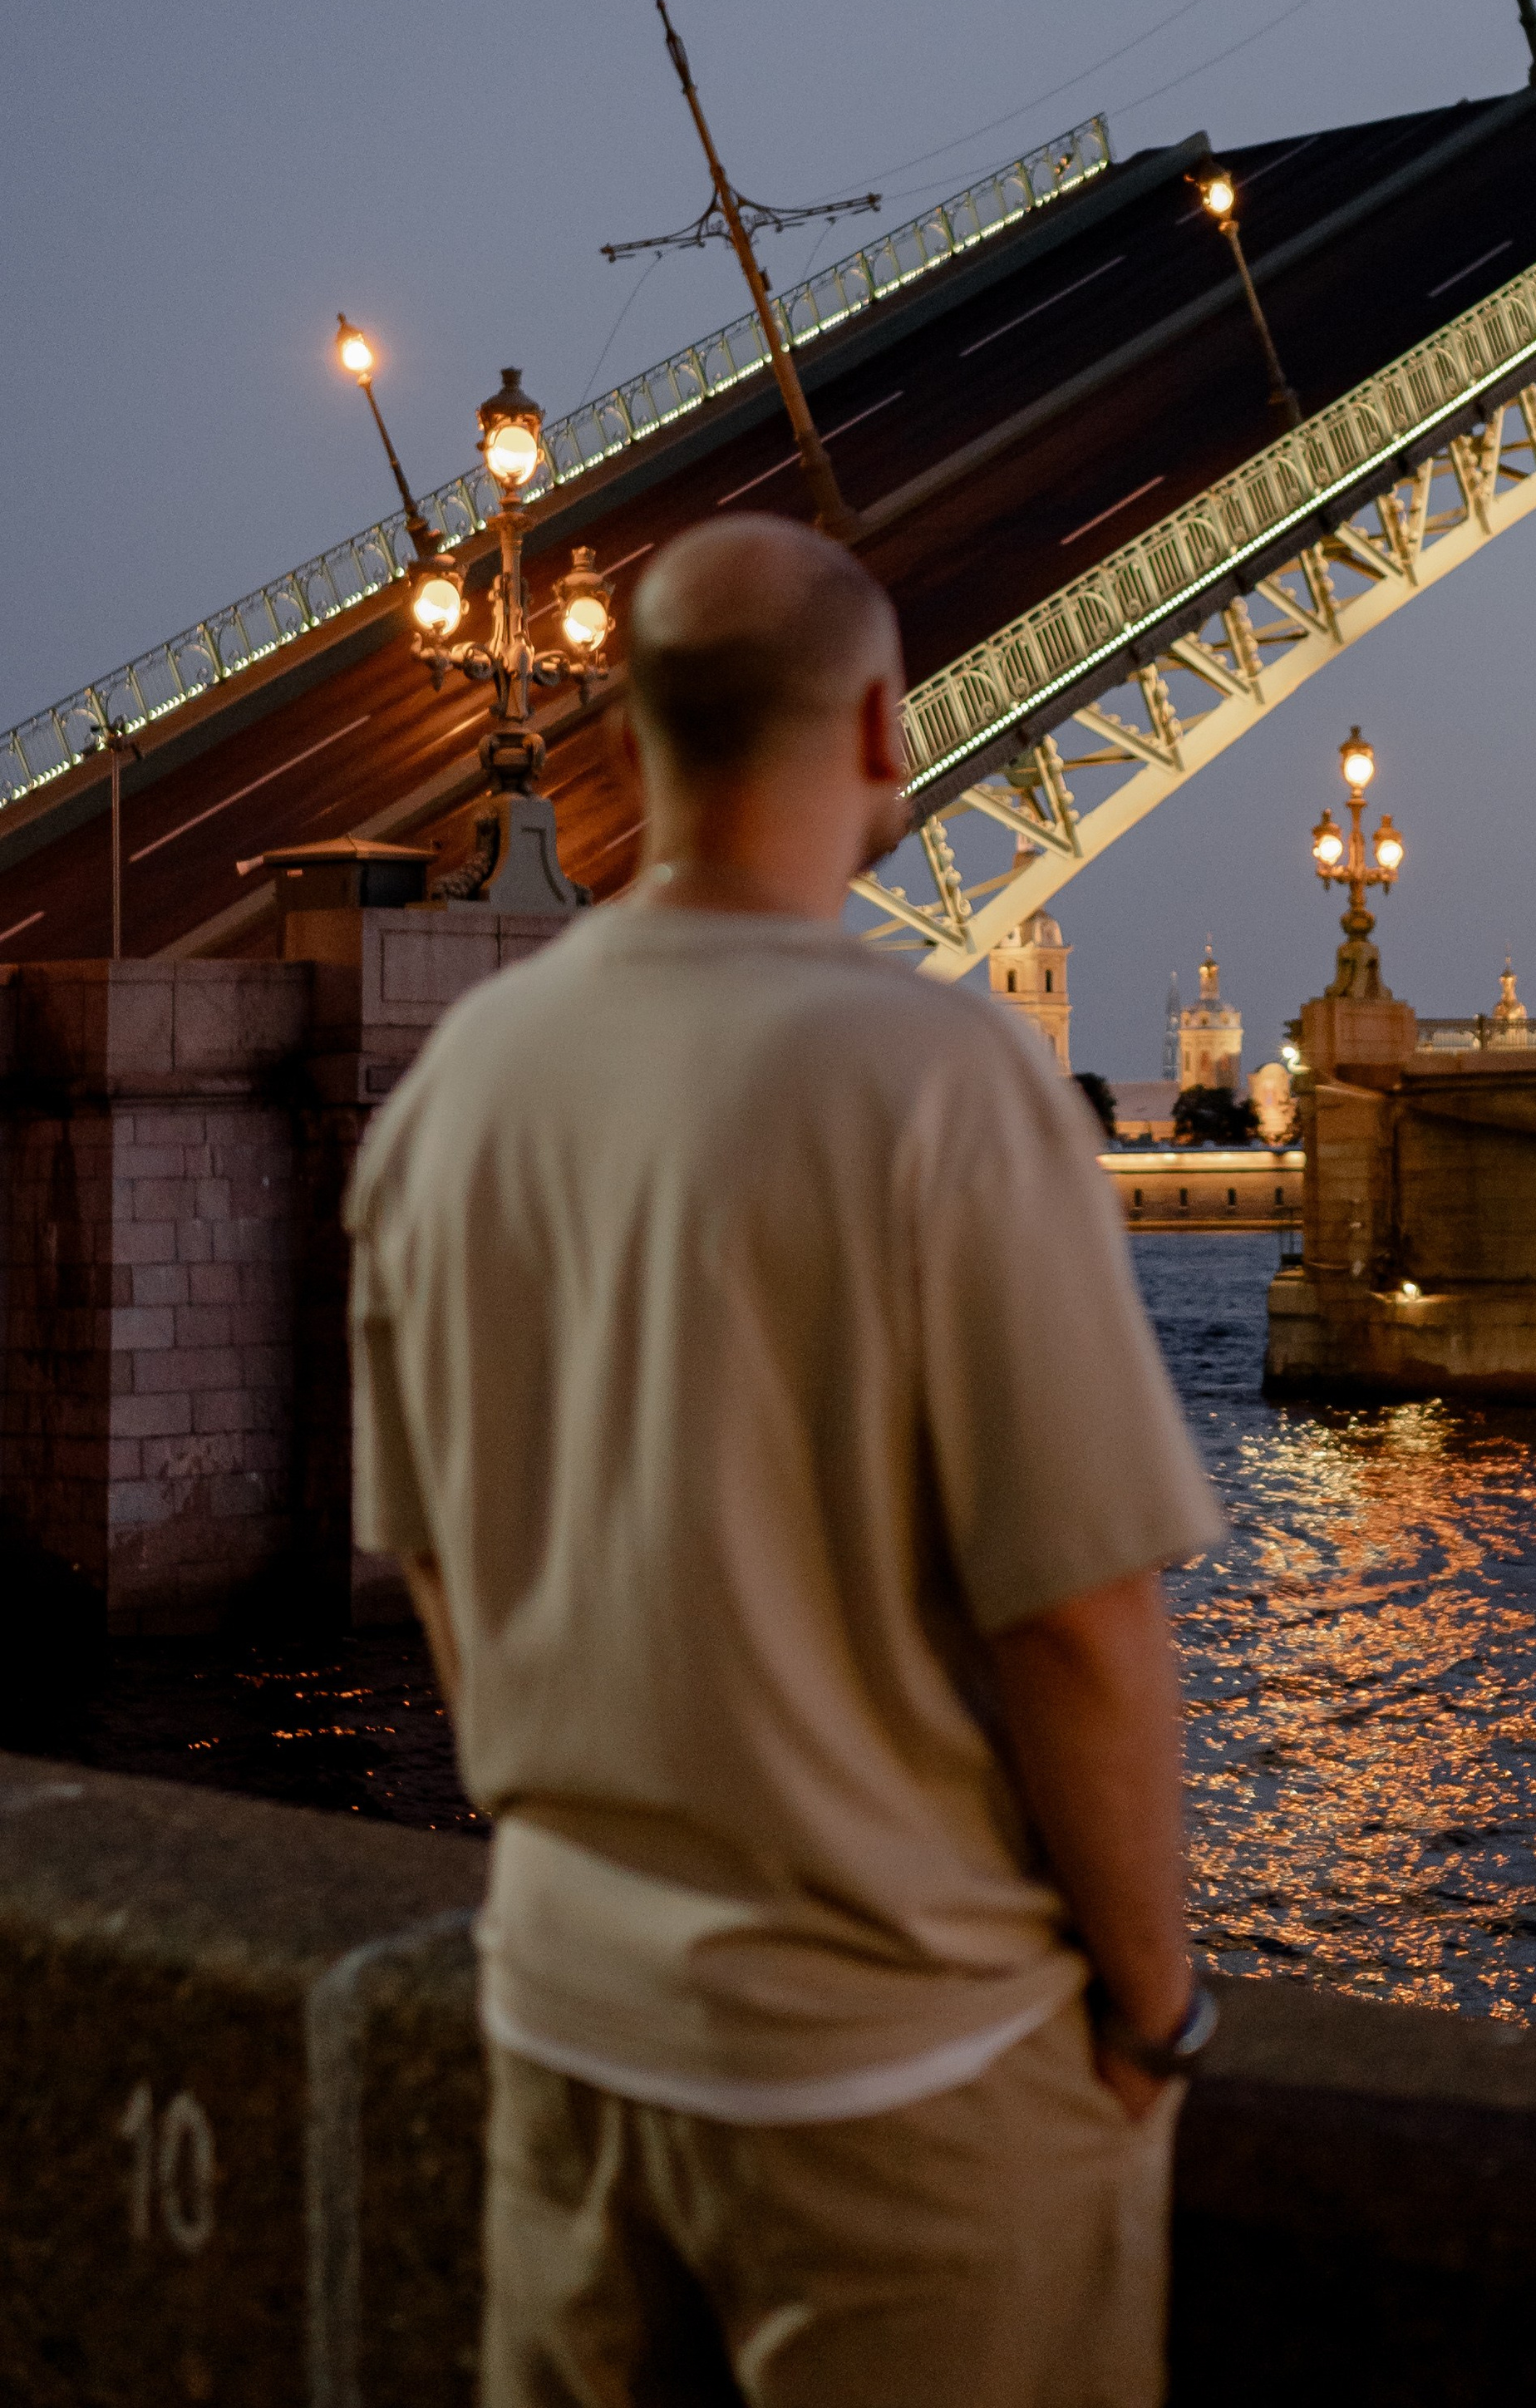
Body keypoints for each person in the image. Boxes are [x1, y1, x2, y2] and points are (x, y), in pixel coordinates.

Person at [348, 514, 1227, 2408]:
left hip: (567, 2041)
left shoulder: (455, 1096)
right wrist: (1154, 2018)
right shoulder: (940, 1080)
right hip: (891, 2078)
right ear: (877, 732)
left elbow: (435, 1571)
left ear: (636, 741)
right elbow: (1079, 1625)